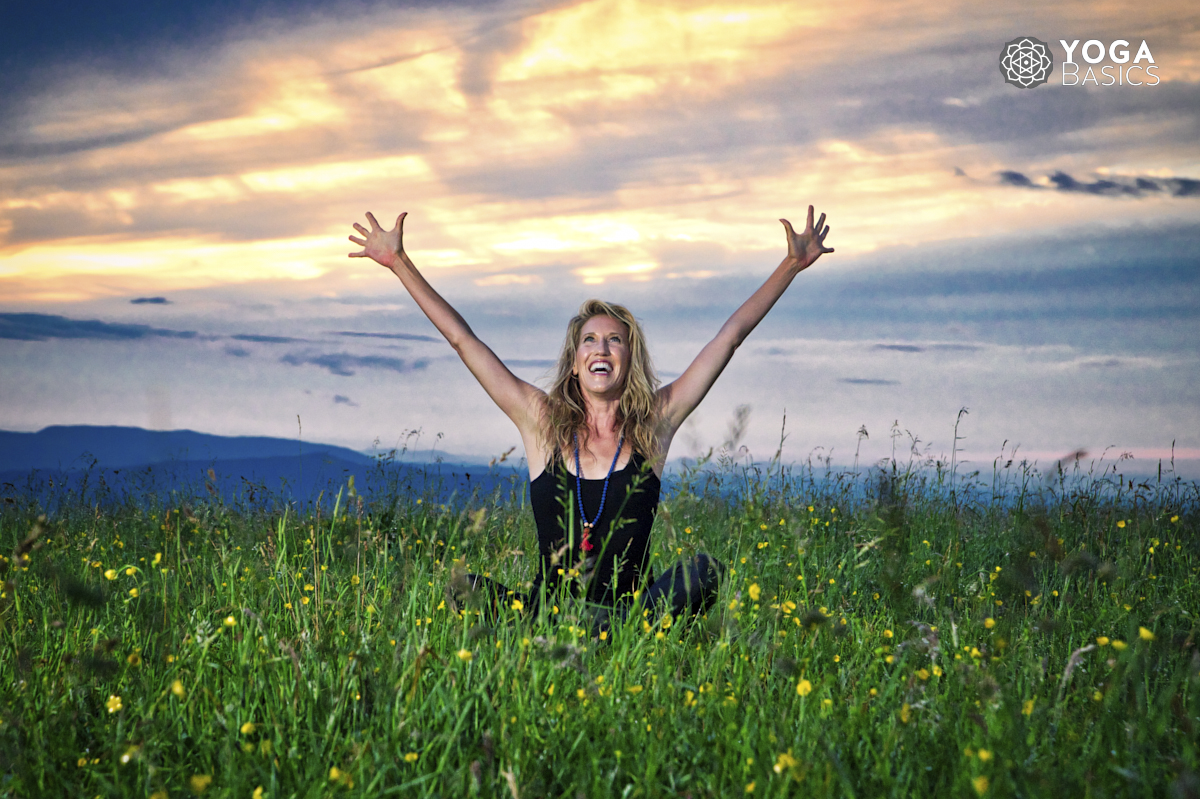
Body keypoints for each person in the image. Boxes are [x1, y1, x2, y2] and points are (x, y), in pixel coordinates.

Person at [349, 207, 833, 631]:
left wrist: (790, 265)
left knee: (704, 572)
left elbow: (729, 338)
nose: (601, 348)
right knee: (463, 588)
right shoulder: (541, 421)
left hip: (630, 608)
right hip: (548, 608)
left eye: (614, 340)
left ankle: (603, 631)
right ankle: (593, 633)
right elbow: (464, 341)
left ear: (629, 358)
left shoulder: (655, 424)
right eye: (590, 340)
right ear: (575, 360)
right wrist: (399, 264)